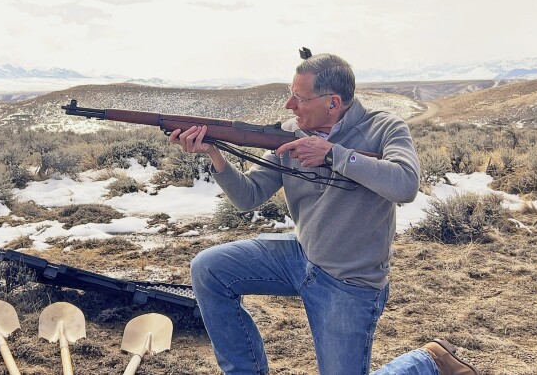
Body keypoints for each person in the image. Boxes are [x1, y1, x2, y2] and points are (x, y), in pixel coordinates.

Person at [169, 53, 479, 375]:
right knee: (209, 269)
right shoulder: (290, 132)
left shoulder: (385, 127)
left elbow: (405, 186)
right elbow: (248, 197)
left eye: (299, 98)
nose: (290, 105)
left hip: (349, 279)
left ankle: (428, 362)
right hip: (299, 255)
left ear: (333, 102)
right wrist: (215, 156)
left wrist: (334, 155)